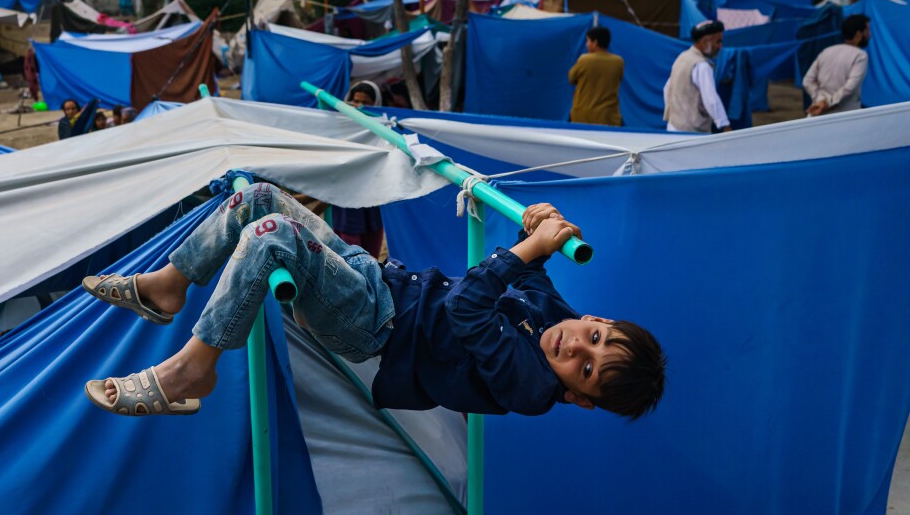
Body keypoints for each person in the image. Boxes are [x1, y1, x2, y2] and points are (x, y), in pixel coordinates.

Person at [82, 182, 666, 420]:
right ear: (597, 318)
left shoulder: (530, 386)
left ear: (577, 397)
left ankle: (192, 369)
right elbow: (530, 267)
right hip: (381, 281)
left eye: (584, 371)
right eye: (594, 337)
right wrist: (538, 228)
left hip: (372, 324)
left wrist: (527, 248)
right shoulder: (555, 322)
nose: (575, 348)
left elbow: (468, 309)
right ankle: (168, 286)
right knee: (260, 198)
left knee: (270, 240)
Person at [331, 82, 386, 257]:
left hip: (372, 195)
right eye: (355, 101)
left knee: (372, 253)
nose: (358, 106)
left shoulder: (382, 129)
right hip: (347, 196)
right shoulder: (341, 128)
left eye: (365, 103)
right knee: (350, 251)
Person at [663, 20, 731, 133]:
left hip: (673, 127)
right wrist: (724, 125)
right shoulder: (701, 65)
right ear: (705, 42)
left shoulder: (682, 57)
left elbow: (667, 89)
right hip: (692, 132)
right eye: (718, 42)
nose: (720, 46)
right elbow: (711, 99)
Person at [802, 14, 870, 117]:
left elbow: (807, 80)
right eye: (867, 30)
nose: (869, 35)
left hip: (817, 114)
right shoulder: (860, 56)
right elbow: (849, 87)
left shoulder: (826, 51)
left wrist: (820, 100)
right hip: (844, 117)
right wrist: (828, 102)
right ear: (858, 34)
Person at [568, 25, 624, 126]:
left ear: (595, 43)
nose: (586, 44)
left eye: (588, 41)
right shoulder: (618, 62)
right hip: (608, 117)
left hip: (583, 116)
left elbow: (571, 78)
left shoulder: (584, 60)